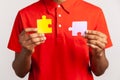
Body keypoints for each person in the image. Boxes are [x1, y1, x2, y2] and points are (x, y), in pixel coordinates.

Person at [8, 0, 112, 80]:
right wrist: (26, 52)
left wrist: (99, 54)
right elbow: (19, 72)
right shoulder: (24, 14)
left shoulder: (94, 13)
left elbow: (99, 71)